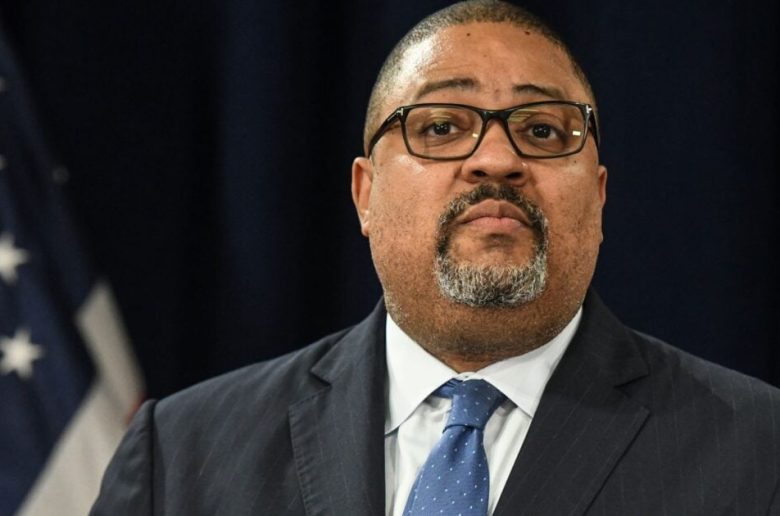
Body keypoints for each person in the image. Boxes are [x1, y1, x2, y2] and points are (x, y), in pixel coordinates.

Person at [91, 1, 780, 514]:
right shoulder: (180, 455)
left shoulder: (758, 450)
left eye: (543, 130)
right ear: (365, 194)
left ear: (598, 198)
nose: (497, 159)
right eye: (442, 126)